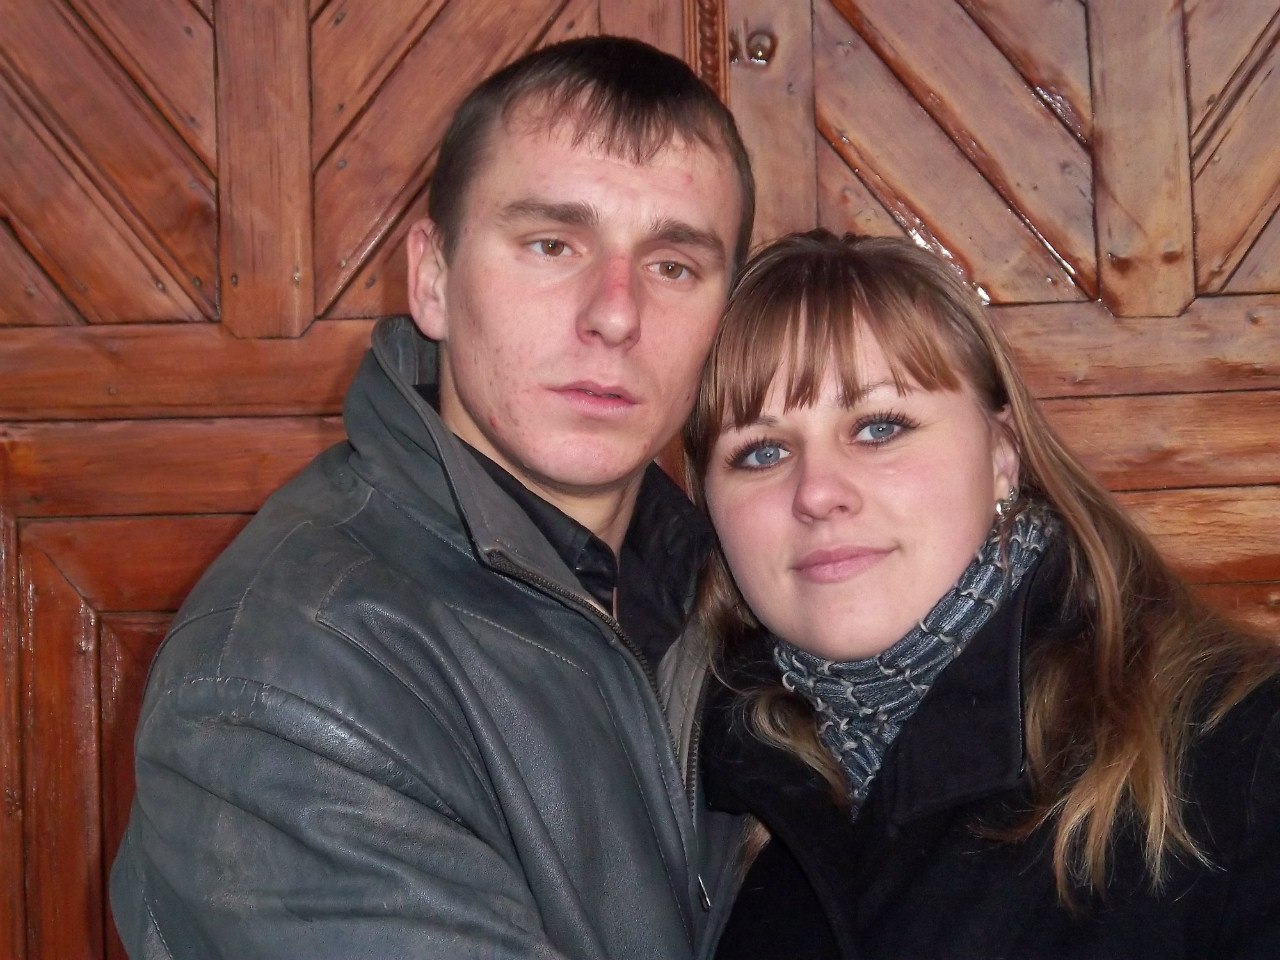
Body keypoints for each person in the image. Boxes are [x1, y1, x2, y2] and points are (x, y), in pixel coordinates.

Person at [110, 36, 754, 959]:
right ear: (433, 279)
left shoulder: (738, 588)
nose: (616, 313)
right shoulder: (282, 677)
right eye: (551, 244)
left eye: (674, 266)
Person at [671, 229, 1280, 958]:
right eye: (761, 452)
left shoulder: (1243, 752)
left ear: (1002, 453)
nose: (818, 492)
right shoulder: (695, 798)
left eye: (879, 427)